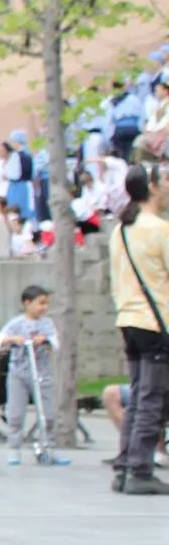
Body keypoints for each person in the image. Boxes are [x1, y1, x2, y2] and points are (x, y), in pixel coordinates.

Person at [111, 164, 169, 495]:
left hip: (129, 320)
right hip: (155, 321)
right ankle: (141, 469)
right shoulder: (160, 229)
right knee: (150, 399)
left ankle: (124, 465)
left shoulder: (121, 229)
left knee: (137, 395)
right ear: (153, 187)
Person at [0, 286, 65, 465]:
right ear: (27, 303)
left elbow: (56, 342)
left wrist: (45, 340)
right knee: (15, 413)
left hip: (42, 373)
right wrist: (11, 340)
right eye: (40, 303)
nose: (44, 307)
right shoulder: (16, 324)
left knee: (47, 414)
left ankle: (47, 447)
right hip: (19, 373)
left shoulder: (47, 324)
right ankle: (14, 449)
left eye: (46, 303)